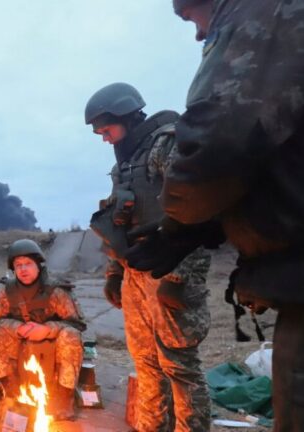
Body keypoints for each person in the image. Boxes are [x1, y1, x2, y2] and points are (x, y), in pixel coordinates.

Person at [127, 1, 304, 430]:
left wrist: (181, 224)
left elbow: (221, 139)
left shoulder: (265, 12)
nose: (197, 35)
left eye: (193, 18)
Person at [86, 83, 212, 431]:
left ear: (125, 116)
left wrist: (180, 278)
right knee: (146, 364)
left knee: (180, 367)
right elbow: (118, 223)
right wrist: (115, 272)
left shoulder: (165, 144)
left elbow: (195, 213)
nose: (104, 139)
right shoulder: (125, 165)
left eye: (106, 130)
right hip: (135, 275)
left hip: (170, 270)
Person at [0, 239, 86, 420]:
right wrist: (17, 327)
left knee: (71, 336)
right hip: (19, 339)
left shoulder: (56, 291)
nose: (23, 269)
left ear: (39, 265)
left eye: (28, 264)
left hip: (52, 342)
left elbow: (77, 324)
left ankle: (64, 398)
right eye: (18, 265)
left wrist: (48, 329)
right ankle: (10, 392)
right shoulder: (6, 292)